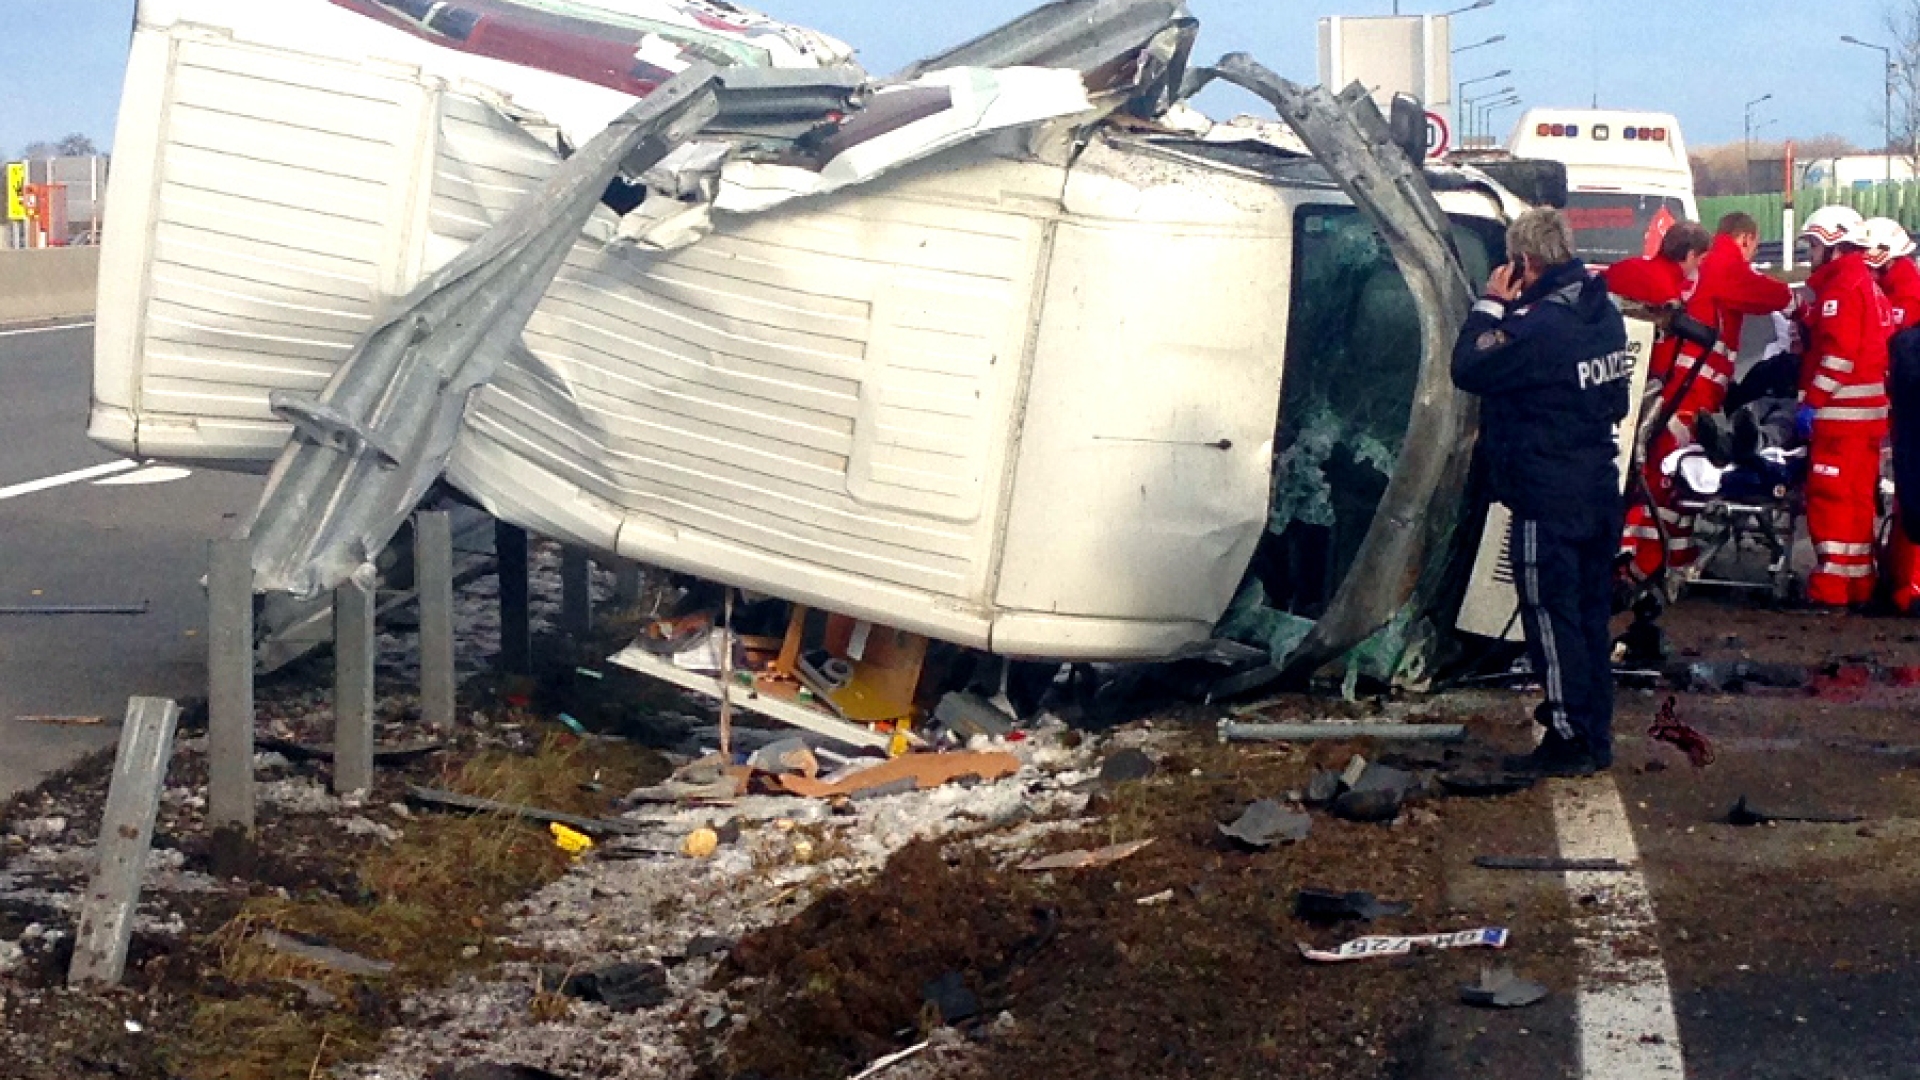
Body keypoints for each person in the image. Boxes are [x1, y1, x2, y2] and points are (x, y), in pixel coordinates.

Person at [1454, 208, 1632, 776]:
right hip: (1597, 485)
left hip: (1546, 492)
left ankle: (1567, 736)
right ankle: (1592, 731)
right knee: (1587, 615)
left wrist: (1489, 306)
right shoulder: (1601, 313)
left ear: (1523, 262)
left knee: (1550, 618)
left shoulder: (1539, 328)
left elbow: (1470, 366)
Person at [1615, 215, 1795, 580]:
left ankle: (1673, 554)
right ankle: (1647, 561)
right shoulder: (1724, 265)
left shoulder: (1665, 273)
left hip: (1671, 385)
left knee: (1668, 474)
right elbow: (1766, 293)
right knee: (1664, 474)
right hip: (1690, 391)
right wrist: (1797, 306)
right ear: (1745, 238)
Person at [1799, 206, 1894, 608]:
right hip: (1868, 418)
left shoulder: (1840, 288)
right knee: (1857, 502)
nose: (1811, 254)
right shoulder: (1866, 283)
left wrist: (1812, 402)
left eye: (1815, 245)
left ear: (1835, 245)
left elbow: (1839, 354)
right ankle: (1858, 583)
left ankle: (1831, 588)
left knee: (1830, 501)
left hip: (1840, 418)